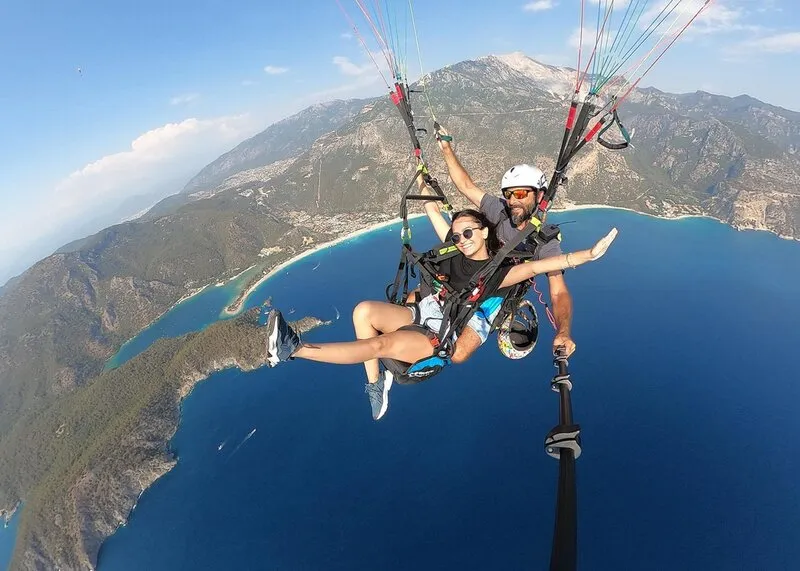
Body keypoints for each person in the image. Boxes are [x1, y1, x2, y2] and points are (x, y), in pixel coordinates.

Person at [263, 178, 618, 420]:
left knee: (380, 346)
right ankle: (375, 386)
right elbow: (435, 213)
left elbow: (551, 264)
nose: (460, 238)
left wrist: (587, 254)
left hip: (437, 335)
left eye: (467, 232)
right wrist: (424, 179)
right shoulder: (455, 249)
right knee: (363, 311)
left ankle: (294, 349)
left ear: (483, 232)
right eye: (456, 233)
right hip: (424, 311)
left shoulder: (497, 273)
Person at [435, 124, 578, 358]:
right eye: (509, 194)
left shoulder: (544, 243)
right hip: (474, 269)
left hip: (498, 291)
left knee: (457, 353)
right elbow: (466, 186)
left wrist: (563, 331)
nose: (513, 201)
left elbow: (558, 292)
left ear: (539, 196)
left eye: (521, 194)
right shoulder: (500, 212)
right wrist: (446, 148)